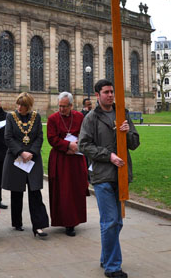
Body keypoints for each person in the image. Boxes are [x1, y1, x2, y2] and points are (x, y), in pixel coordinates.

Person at [79, 79, 140, 278]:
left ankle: (106, 258)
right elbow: (84, 145)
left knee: (117, 222)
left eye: (112, 91)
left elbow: (134, 143)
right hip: (102, 176)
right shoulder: (91, 117)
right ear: (97, 95)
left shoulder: (122, 113)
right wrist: (109, 156)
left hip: (121, 175)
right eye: (106, 92)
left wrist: (127, 131)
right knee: (110, 221)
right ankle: (113, 267)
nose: (110, 95)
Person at [2, 92, 49, 237]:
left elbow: (40, 137)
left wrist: (32, 153)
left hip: (32, 159)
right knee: (16, 191)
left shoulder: (36, 117)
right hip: (16, 159)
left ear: (28, 106)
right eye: (18, 104)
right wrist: (21, 153)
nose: (19, 107)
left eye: (22, 105)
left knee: (35, 192)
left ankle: (39, 226)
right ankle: (17, 222)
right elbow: (8, 137)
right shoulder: (10, 117)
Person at [47, 92, 89, 236]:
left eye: (64, 107)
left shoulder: (79, 117)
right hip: (60, 158)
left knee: (75, 189)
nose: (61, 109)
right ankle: (65, 221)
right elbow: (51, 138)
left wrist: (76, 145)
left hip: (76, 158)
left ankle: (74, 220)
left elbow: (84, 135)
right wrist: (67, 146)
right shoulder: (53, 119)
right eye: (60, 106)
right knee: (63, 191)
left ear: (71, 105)